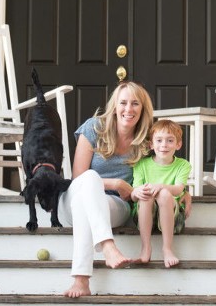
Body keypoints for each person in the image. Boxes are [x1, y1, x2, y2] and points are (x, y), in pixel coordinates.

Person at [58, 80, 154, 298]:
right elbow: (78, 177)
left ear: (143, 109)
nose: (128, 109)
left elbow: (164, 170)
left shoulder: (147, 142)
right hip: (74, 198)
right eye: (123, 103)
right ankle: (107, 245)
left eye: (135, 104)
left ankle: (81, 281)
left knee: (88, 209)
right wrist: (117, 183)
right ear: (115, 106)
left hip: (113, 206)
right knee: (90, 178)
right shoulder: (94, 128)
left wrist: (184, 194)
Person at [130, 119, 192, 268]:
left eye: (170, 140)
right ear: (151, 144)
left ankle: (167, 249)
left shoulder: (183, 165)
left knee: (164, 194)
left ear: (178, 144)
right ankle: (145, 248)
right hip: (145, 214)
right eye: (159, 140)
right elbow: (134, 194)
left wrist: (160, 187)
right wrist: (138, 192)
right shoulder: (141, 164)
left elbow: (178, 189)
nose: (164, 145)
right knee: (145, 195)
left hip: (172, 214)